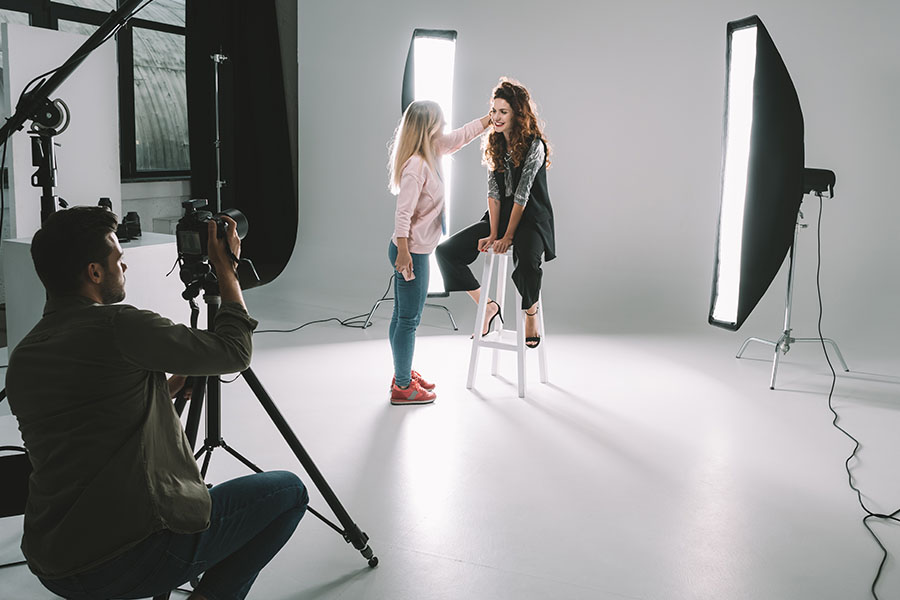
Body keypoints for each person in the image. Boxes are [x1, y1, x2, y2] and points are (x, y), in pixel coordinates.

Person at [6, 206, 308, 600]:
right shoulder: (120, 325)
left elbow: (89, 418)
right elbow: (235, 351)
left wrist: (164, 388)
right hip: (130, 558)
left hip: (53, 564)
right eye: (118, 259)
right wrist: (226, 270)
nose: (123, 267)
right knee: (288, 493)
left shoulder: (24, 356)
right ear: (94, 272)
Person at [435, 78, 556, 348]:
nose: (496, 117)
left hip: (531, 219)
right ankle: (487, 306)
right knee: (446, 252)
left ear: (517, 114)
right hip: (500, 218)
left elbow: (522, 195)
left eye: (503, 111)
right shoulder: (495, 143)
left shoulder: (535, 145)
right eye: (494, 111)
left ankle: (531, 313)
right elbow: (493, 193)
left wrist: (508, 236)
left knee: (528, 261)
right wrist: (493, 233)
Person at [387, 100, 491, 405]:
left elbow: (461, 136)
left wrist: (490, 119)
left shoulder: (432, 151)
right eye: (439, 122)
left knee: (402, 316)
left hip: (414, 250)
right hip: (410, 252)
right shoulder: (416, 166)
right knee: (409, 319)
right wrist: (404, 254)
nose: (444, 126)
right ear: (427, 128)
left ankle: (401, 375)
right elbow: (402, 214)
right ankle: (403, 387)